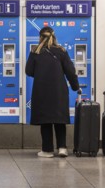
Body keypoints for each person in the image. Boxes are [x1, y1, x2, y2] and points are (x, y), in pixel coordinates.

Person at [25, 26, 79, 158]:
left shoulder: (35, 52)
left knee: (46, 121)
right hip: (58, 91)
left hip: (41, 91)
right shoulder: (61, 51)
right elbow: (71, 72)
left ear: (40, 37)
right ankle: (62, 148)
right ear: (54, 36)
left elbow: (29, 71)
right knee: (59, 119)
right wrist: (75, 87)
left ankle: (47, 150)